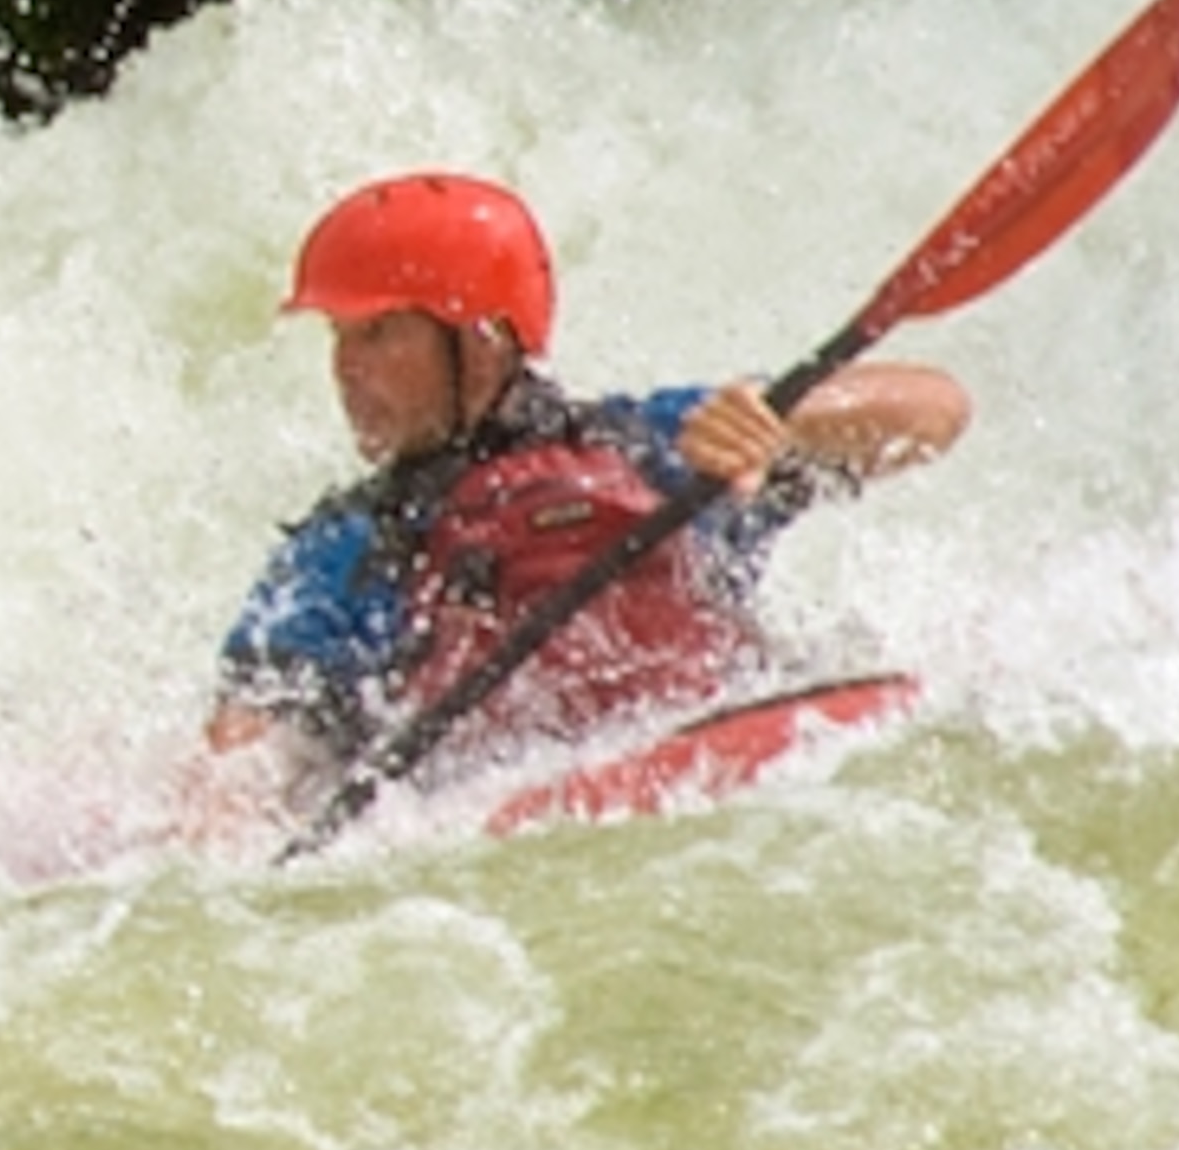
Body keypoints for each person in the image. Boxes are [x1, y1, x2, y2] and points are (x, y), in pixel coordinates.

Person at [203, 170, 968, 809]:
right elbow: (242, 756)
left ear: (480, 341)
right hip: (479, 809)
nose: (346, 368)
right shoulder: (347, 547)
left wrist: (780, 426)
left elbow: (936, 408)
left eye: (378, 333)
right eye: (338, 337)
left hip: (705, 741)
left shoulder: (655, 445)